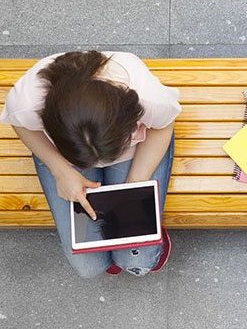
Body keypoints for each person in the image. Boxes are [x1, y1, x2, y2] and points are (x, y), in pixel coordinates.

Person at [0, 51, 181, 277]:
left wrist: (134, 186)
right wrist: (61, 170)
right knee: (89, 266)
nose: (99, 164)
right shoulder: (28, 101)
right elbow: (22, 125)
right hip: (66, 156)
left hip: (134, 152)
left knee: (138, 261)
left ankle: (138, 247)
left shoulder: (146, 95)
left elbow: (163, 126)